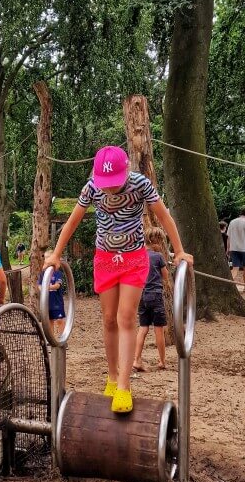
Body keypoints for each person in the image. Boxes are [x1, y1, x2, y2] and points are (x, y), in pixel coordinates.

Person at [44, 146, 193, 413]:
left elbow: (163, 215)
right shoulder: (92, 187)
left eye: (115, 183)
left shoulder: (140, 184)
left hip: (134, 257)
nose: (110, 189)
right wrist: (56, 254)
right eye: (106, 184)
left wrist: (179, 250)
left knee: (126, 317)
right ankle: (112, 376)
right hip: (105, 258)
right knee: (109, 318)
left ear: (126, 172)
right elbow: (72, 221)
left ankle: (124, 385)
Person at [133, 228, 170, 372]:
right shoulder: (158, 256)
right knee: (159, 329)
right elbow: (165, 276)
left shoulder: (139, 255)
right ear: (157, 241)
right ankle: (162, 361)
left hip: (142, 295)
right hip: (155, 294)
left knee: (143, 328)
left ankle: (136, 359)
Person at [37, 249, 66, 337]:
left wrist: (46, 287)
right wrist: (43, 288)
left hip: (57, 301)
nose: (46, 260)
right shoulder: (42, 273)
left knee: (59, 320)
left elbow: (57, 285)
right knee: (50, 320)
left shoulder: (57, 272)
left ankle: (63, 337)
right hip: (47, 301)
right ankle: (51, 338)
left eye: (48, 257)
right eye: (45, 258)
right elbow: (39, 286)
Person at [227, 209, 245, 284]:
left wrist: (228, 249)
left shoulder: (232, 222)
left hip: (234, 249)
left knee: (234, 269)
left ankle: (228, 285)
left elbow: (229, 236)